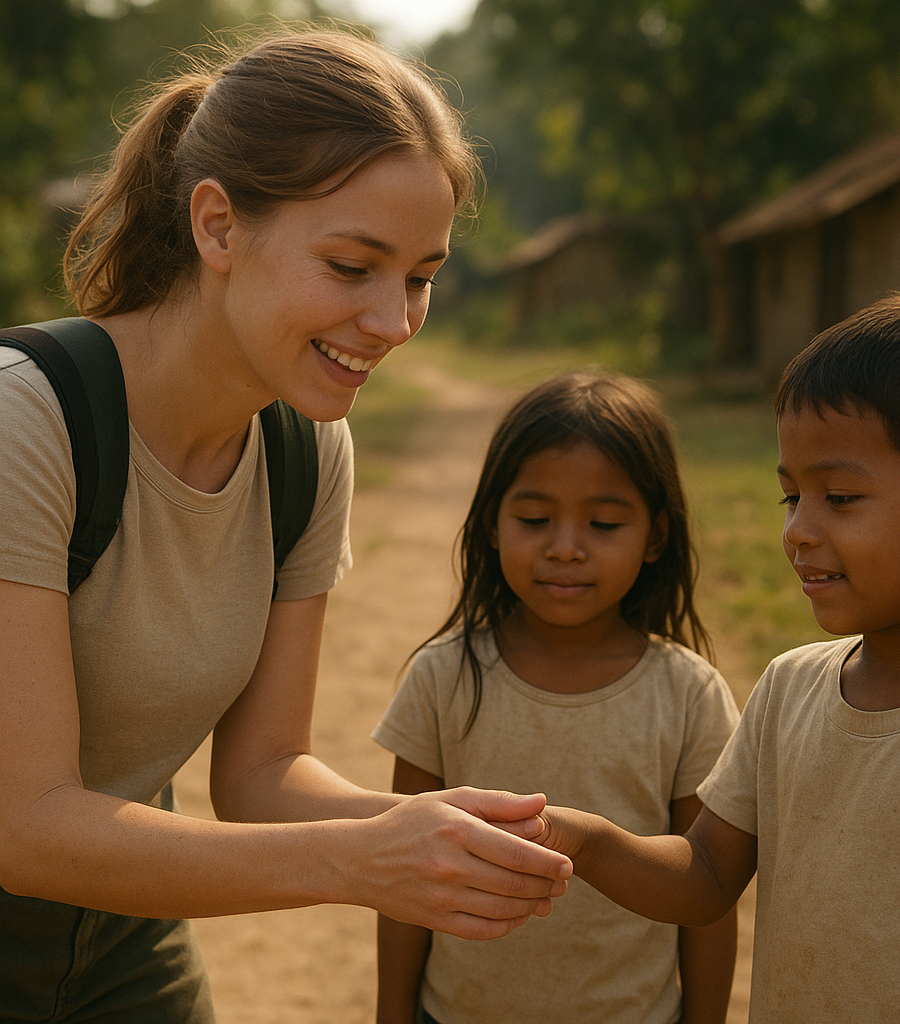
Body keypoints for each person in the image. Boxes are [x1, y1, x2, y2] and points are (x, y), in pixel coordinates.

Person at [0, 27, 572, 1022]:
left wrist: (434, 830)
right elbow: (27, 825)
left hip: (120, 934)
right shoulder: (25, 421)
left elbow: (262, 773)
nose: (393, 322)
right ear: (218, 227)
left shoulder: (306, 451)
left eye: (420, 277)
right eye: (352, 266)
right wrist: (358, 860)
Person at [532, 289, 900, 1023]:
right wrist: (584, 840)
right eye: (791, 497)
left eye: (840, 497)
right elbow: (704, 877)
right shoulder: (790, 687)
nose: (798, 530)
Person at [372, 370, 741, 1024]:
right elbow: (405, 875)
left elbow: (706, 891)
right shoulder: (443, 677)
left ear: (655, 537)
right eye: (535, 519)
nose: (565, 548)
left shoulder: (688, 695)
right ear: (492, 523)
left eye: (603, 523)